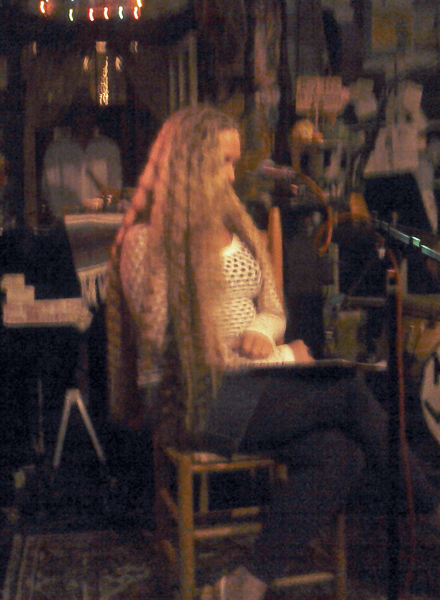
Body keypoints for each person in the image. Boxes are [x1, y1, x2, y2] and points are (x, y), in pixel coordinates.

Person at [107, 105, 440, 600]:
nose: (232, 174)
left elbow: (272, 308)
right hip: (193, 401)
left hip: (250, 385)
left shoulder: (237, 224)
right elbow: (167, 343)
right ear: (190, 164)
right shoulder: (145, 241)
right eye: (222, 162)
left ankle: (244, 584)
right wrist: (281, 359)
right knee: (348, 391)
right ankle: (430, 508)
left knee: (341, 454)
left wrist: (266, 335)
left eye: (234, 161)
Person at [42, 89, 122, 217]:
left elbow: (115, 189)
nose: (84, 118)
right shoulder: (56, 151)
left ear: (95, 115)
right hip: (66, 223)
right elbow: (51, 193)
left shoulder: (109, 148)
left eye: (88, 112)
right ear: (71, 116)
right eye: (79, 112)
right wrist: (66, 217)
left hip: (102, 222)